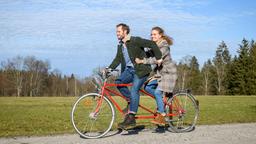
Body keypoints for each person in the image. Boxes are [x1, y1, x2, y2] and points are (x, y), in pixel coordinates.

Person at [107, 23, 162, 129]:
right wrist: (108, 69)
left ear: (125, 31)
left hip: (141, 70)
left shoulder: (135, 40)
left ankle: (131, 117)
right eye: (116, 31)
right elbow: (117, 59)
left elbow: (152, 44)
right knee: (118, 82)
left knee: (134, 89)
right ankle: (130, 101)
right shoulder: (120, 45)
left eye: (119, 31)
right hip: (129, 70)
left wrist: (159, 57)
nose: (117, 33)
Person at [135, 26, 177, 126]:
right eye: (151, 34)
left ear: (160, 35)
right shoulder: (154, 45)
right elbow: (147, 54)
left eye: (154, 34)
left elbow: (157, 58)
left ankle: (162, 115)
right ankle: (161, 103)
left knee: (158, 92)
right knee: (147, 87)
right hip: (159, 74)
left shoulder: (164, 45)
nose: (152, 36)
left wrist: (142, 61)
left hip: (168, 73)